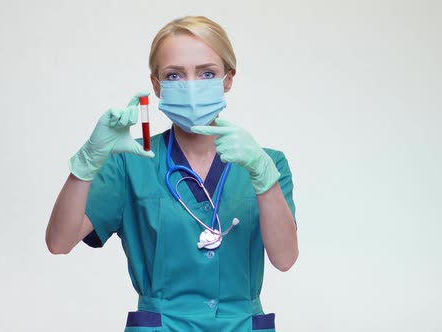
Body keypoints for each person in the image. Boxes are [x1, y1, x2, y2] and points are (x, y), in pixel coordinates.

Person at [46, 15, 298, 331]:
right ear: (156, 85)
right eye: (175, 75)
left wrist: (264, 177)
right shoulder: (130, 161)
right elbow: (59, 242)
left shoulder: (268, 163)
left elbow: (285, 259)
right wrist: (86, 162)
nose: (191, 87)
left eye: (207, 73)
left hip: (242, 324)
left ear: (228, 79)